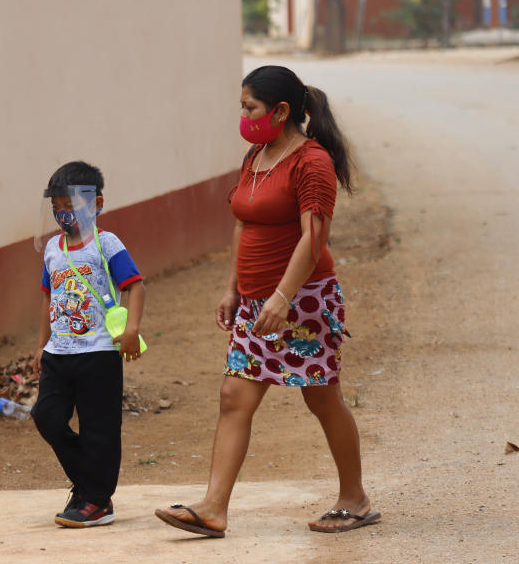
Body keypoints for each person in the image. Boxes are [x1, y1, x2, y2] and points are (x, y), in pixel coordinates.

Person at [155, 65, 379, 537]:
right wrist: (233, 287)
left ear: (280, 111)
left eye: (249, 107)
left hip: (304, 302)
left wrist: (282, 296)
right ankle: (214, 508)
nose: (243, 115)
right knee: (234, 395)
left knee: (321, 399)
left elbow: (314, 238)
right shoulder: (257, 154)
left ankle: (355, 499)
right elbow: (243, 222)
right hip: (257, 301)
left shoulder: (311, 162)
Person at [31, 161, 146, 528]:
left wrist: (131, 329)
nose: (64, 214)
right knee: (46, 417)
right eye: (57, 208)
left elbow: (134, 285)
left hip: (98, 352)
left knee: (99, 426)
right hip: (58, 354)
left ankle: (95, 501)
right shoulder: (52, 248)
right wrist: (40, 345)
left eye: (71, 206)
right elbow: (48, 298)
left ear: (96, 204)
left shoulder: (106, 242)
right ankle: (90, 485)